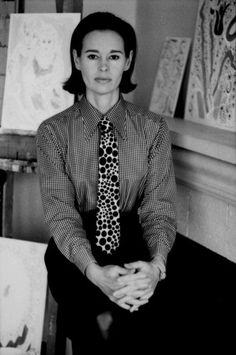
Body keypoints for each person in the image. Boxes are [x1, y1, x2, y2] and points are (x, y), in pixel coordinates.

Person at [36, 11, 177, 354]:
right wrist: (95, 273)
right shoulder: (53, 132)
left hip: (134, 243)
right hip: (76, 252)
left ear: (127, 61)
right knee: (94, 334)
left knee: (137, 325)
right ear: (77, 60)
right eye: (92, 56)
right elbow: (61, 215)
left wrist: (156, 267)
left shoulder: (153, 129)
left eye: (113, 56)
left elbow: (159, 209)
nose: (103, 67)